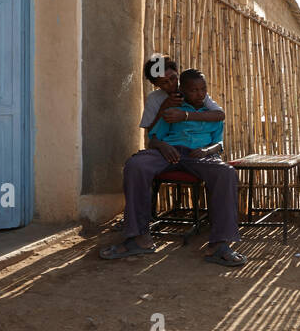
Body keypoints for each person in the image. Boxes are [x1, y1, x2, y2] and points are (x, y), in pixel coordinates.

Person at [102, 69, 246, 266]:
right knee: (135, 165)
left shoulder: (210, 113)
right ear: (183, 91)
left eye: (203, 89)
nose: (200, 94)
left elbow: (219, 143)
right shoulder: (170, 109)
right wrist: (164, 146)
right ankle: (138, 238)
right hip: (169, 153)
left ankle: (219, 245)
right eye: (194, 90)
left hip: (200, 155)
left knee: (227, 173)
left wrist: (206, 151)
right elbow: (153, 139)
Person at [140, 55, 223, 132]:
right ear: (156, 84)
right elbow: (150, 131)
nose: (171, 84)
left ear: (177, 72)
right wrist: (163, 108)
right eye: (165, 82)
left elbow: (220, 115)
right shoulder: (154, 98)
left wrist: (185, 116)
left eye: (173, 78)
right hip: (167, 143)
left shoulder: (192, 91)